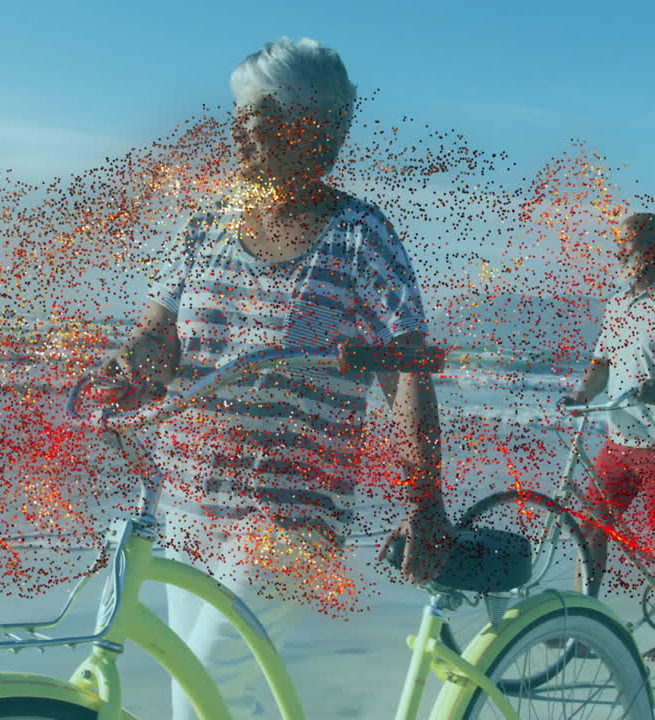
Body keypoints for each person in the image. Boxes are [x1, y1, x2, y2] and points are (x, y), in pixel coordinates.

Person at [99, 37, 456, 718]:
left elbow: (407, 371)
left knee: (204, 685)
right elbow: (160, 332)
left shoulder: (360, 236)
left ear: (310, 128)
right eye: (238, 114)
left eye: (255, 115)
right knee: (207, 701)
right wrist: (131, 364)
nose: (237, 130)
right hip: (184, 501)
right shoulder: (208, 221)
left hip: (290, 516)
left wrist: (425, 503)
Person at [564, 212, 655, 662]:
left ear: (653, 247)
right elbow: (602, 365)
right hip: (618, 441)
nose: (619, 252)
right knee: (590, 528)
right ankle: (582, 630)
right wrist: (577, 395)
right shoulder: (618, 305)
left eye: (626, 243)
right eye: (618, 244)